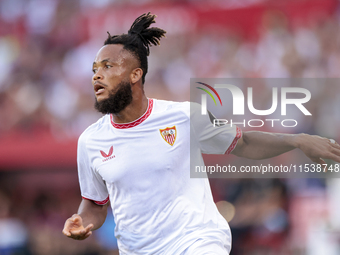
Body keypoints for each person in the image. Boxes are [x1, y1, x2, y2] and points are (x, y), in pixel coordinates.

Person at [62, 13, 340, 254]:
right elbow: (95, 204)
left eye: (108, 67)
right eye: (94, 69)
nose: (97, 76)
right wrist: (82, 220)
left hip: (197, 241)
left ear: (135, 75)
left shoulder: (183, 116)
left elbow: (242, 141)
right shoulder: (90, 141)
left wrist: (298, 140)